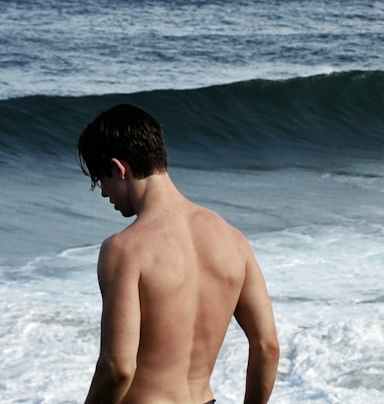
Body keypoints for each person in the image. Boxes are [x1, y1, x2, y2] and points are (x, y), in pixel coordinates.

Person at [77, 104, 280, 404]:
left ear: (119, 169)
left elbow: (118, 367)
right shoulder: (233, 240)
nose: (103, 193)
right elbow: (267, 346)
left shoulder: (125, 249)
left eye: (99, 180)